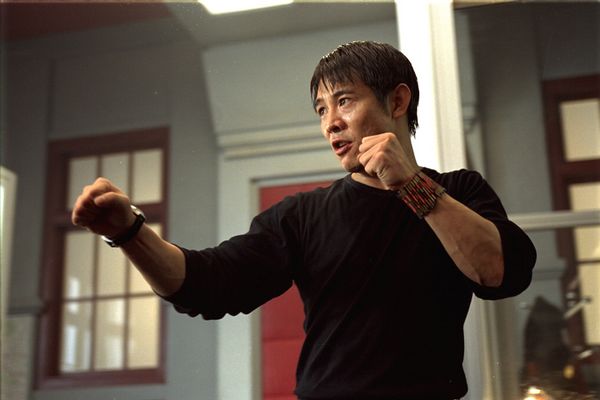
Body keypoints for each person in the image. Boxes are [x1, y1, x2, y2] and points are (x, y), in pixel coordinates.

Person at [72, 41, 536, 400]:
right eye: (321, 109)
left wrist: (411, 185)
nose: (330, 122)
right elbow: (203, 285)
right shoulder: (301, 216)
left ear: (397, 102)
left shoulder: (460, 191)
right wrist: (128, 232)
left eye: (344, 101)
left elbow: (500, 273)